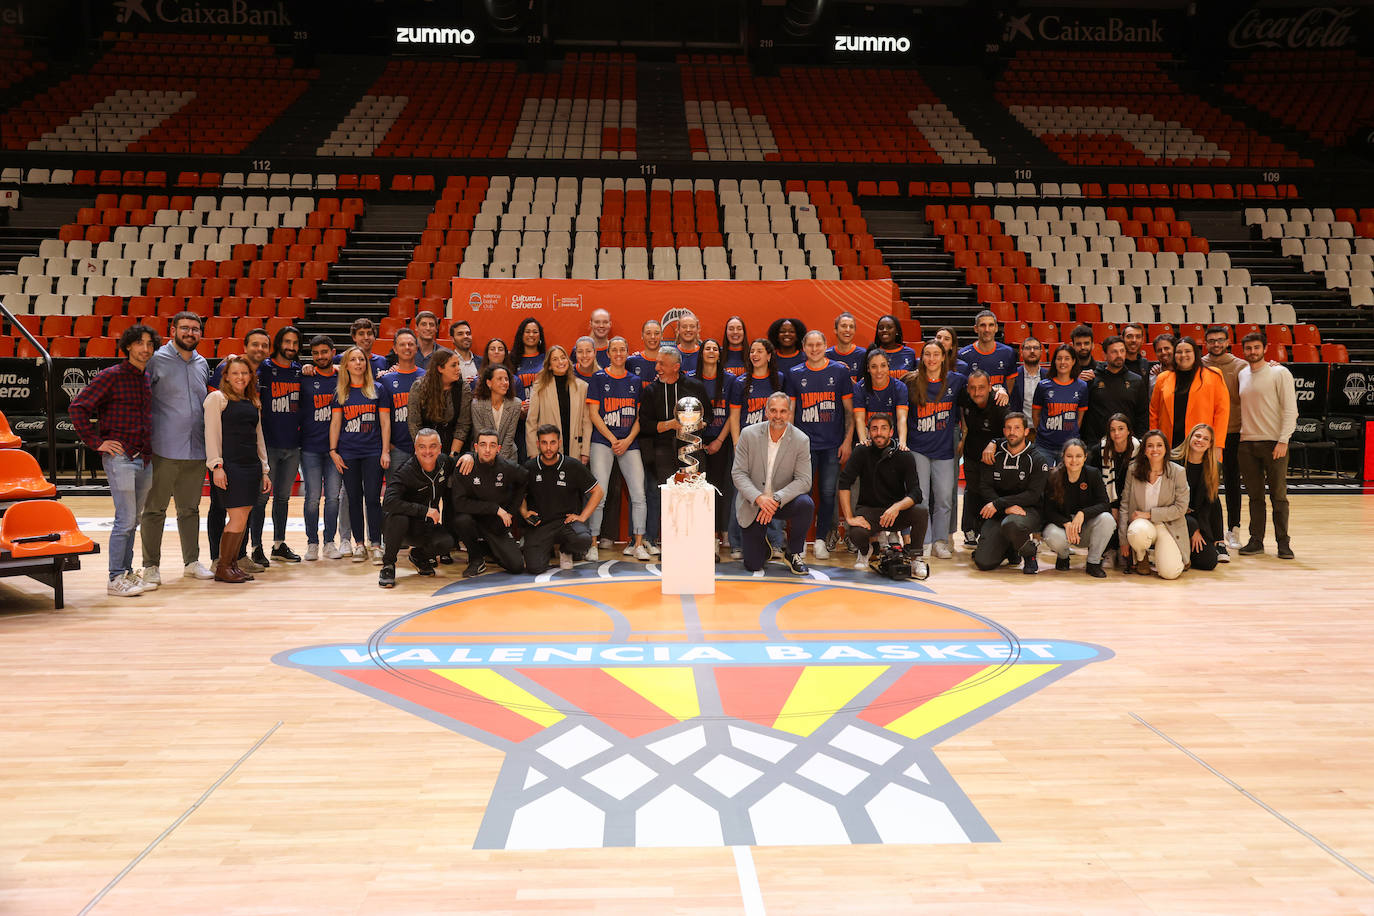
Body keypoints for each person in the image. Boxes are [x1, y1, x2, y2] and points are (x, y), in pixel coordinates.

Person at [70, 323, 157, 597]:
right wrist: (97, 442)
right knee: (126, 518)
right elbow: (78, 407)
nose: (145, 349)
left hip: (143, 457)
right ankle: (114, 577)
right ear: (128, 346)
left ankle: (126, 572)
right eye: (140, 343)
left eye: (150, 344)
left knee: (135, 519)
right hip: (120, 457)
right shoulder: (111, 375)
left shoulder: (145, 377)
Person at [139, 310, 213, 587]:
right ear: (172, 329)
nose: (190, 333)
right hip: (162, 449)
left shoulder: (202, 363)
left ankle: (191, 562)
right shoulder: (155, 360)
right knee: (155, 510)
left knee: (190, 509)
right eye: (185, 328)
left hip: (196, 450)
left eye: (195, 329)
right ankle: (150, 566)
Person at [786, 330, 853, 559]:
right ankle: (800, 541)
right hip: (804, 446)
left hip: (833, 445)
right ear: (804, 348)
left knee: (827, 494)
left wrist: (847, 441)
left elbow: (849, 412)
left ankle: (822, 539)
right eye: (810, 345)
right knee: (801, 494)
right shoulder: (795, 374)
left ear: (826, 345)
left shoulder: (839, 372)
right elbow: (791, 413)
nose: (814, 349)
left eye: (818, 344)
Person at [207, 328, 270, 571]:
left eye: (244, 373)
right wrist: (217, 466)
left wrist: (264, 469)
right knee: (233, 516)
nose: (240, 377)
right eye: (235, 373)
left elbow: (259, 438)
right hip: (229, 466)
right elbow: (211, 435)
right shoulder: (217, 399)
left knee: (243, 516)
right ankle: (222, 564)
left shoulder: (252, 400)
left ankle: (233, 563)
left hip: (250, 466)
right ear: (226, 375)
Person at [639, 345, 712, 552]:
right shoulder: (650, 391)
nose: (657, 367)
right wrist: (669, 424)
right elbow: (644, 424)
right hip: (660, 450)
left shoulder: (695, 386)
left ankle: (691, 541)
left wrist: (699, 424)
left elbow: (709, 416)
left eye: (662, 363)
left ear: (676, 367)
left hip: (690, 451)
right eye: (657, 363)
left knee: (691, 496)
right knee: (660, 495)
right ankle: (653, 540)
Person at [731, 392, 814, 575]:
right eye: (773, 411)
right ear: (766, 412)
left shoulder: (801, 440)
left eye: (783, 411)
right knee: (754, 564)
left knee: (806, 504)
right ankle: (763, 545)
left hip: (781, 502)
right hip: (754, 503)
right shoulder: (748, 434)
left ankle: (793, 552)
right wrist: (759, 498)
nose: (778, 416)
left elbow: (804, 480)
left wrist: (776, 499)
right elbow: (738, 473)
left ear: (790, 413)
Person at [839, 412, 928, 575]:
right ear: (868, 432)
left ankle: (916, 558)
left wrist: (897, 507)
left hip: (896, 513)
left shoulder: (904, 454)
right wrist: (849, 517)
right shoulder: (861, 452)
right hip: (870, 511)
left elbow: (916, 493)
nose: (878, 433)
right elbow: (844, 483)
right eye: (874, 429)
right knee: (856, 532)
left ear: (891, 432)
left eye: (883, 428)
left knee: (921, 512)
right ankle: (865, 551)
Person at [586, 336, 651, 559]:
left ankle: (638, 543)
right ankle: (592, 543)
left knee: (639, 493)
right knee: (599, 494)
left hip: (629, 442)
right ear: (609, 353)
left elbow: (640, 417)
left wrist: (628, 439)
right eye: (614, 350)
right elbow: (594, 414)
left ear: (627, 352)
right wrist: (613, 438)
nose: (619, 354)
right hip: (603, 441)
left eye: (623, 350)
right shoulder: (598, 378)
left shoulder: (635, 380)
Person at [1236, 331, 1298, 559]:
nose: (1252, 352)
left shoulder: (1280, 372)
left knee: (1278, 497)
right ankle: (1256, 540)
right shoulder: (1242, 374)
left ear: (1265, 348)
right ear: (1244, 351)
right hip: (1247, 444)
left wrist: (1284, 440)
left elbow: (1291, 409)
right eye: (1248, 348)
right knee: (1254, 497)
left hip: (1274, 444)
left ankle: (1283, 542)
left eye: (1256, 348)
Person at [908, 339, 966, 559]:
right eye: (927, 354)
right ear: (922, 358)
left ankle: (940, 541)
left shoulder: (957, 380)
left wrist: (999, 389)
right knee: (920, 498)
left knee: (943, 498)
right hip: (918, 448)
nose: (931, 359)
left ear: (944, 357)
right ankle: (924, 540)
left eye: (936, 354)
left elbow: (971, 401)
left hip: (943, 450)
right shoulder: (911, 381)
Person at [330, 345, 389, 564]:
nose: (358, 363)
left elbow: (384, 422)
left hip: (373, 451)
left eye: (361, 359)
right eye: (353, 360)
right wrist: (333, 451)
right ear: (346, 365)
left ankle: (376, 543)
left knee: (373, 498)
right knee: (354, 499)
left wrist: (384, 451)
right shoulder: (341, 392)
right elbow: (335, 424)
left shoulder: (378, 389)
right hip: (348, 453)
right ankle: (358, 544)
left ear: (366, 364)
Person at [377, 428, 456, 588]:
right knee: (399, 517)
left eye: (432, 446)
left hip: (425, 526)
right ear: (415, 448)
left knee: (447, 542)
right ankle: (388, 565)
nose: (427, 451)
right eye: (422, 446)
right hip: (400, 527)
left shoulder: (444, 463)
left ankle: (418, 556)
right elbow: (389, 502)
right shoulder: (406, 471)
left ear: (440, 448)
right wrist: (424, 510)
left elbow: (460, 461)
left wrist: (468, 456)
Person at [970, 413, 1048, 574]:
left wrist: (999, 504)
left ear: (1026, 431)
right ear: (1004, 431)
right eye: (1009, 428)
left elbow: (1033, 495)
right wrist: (1004, 508)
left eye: (1017, 428)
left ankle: (1029, 554)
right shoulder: (992, 454)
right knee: (983, 563)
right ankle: (1011, 549)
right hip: (1000, 511)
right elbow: (985, 487)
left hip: (1028, 511)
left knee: (1011, 524)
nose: (1012, 432)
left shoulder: (1037, 459)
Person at [521, 424, 603, 572]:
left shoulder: (572, 465)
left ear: (559, 443)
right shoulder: (529, 467)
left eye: (553, 442)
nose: (548, 448)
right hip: (541, 524)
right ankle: (545, 550)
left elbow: (598, 492)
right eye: (544, 443)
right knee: (534, 567)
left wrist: (582, 517)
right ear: (538, 444)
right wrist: (524, 512)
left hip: (566, 522)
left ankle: (566, 551)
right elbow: (520, 495)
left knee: (584, 539)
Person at [254, 324, 302, 566]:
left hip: (292, 445)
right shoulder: (264, 368)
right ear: (279, 343)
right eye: (287, 342)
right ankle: (255, 547)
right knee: (261, 499)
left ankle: (278, 544)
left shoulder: (299, 371)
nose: (291, 347)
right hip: (268, 445)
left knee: (283, 498)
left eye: (295, 343)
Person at [451, 429, 528, 577]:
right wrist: (495, 508)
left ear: (498, 449)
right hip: (472, 519)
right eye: (483, 445)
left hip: (495, 523)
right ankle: (476, 558)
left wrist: (511, 511)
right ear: (475, 447)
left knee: (516, 566)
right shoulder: (465, 465)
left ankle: (488, 549)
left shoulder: (506, 467)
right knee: (462, 520)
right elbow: (459, 503)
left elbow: (524, 479)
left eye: (492, 445)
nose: (487, 450)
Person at [1118, 430, 1191, 579]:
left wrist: (1150, 514)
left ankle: (1166, 554)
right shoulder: (1133, 470)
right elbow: (1124, 505)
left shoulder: (1178, 472)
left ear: (1166, 449)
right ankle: (1141, 557)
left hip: (1167, 525)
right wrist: (1123, 540)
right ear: (1144, 450)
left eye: (1159, 445)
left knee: (1170, 573)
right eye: (1150, 446)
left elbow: (1180, 508)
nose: (1155, 450)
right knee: (1137, 532)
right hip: (1141, 524)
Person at [299, 334, 344, 560]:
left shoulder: (342, 377)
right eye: (315, 353)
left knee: (334, 498)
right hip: (310, 448)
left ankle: (329, 542)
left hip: (336, 449)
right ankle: (312, 543)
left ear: (333, 352)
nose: (320, 357)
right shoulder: (305, 376)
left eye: (324, 352)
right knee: (312, 497)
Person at [1041, 438, 1113, 577]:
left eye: (1078, 456)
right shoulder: (1053, 476)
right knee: (1051, 534)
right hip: (1064, 528)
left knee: (1107, 519)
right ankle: (1063, 556)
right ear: (1063, 457)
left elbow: (1104, 503)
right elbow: (1048, 511)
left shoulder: (1093, 474)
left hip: (1086, 528)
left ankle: (1093, 563)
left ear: (1085, 457)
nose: (1074, 460)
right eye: (1069, 456)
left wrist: (1083, 514)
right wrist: (1066, 523)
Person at [1149, 336, 1228, 462]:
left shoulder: (1214, 375)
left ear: (1196, 354)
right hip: (1170, 444)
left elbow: (1221, 413)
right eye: (1179, 352)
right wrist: (1154, 441)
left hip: (1201, 444)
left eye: (1187, 351)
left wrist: (1218, 444)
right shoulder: (1163, 378)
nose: (1183, 355)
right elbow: (1154, 412)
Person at [1202, 324, 1245, 549]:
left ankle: (1234, 529)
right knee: (1207, 483)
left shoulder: (1241, 366)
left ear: (1228, 342)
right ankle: (1208, 528)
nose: (1216, 344)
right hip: (1205, 436)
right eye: (1212, 341)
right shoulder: (1200, 364)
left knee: (1231, 481)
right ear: (1206, 342)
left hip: (1233, 432)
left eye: (1220, 340)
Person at [697, 339, 739, 552]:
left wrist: (719, 441)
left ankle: (723, 532)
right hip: (696, 443)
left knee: (721, 489)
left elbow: (733, 414)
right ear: (701, 352)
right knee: (700, 490)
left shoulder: (730, 379)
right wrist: (697, 440)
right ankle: (706, 534)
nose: (711, 352)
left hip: (720, 441)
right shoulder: (692, 379)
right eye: (707, 348)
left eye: (715, 348)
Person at [957, 369, 1006, 547]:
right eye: (973, 388)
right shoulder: (965, 396)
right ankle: (969, 531)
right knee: (972, 491)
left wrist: (994, 442)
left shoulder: (1000, 403)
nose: (977, 392)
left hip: (995, 458)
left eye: (981, 388)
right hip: (971, 454)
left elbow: (1010, 433)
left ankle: (989, 532)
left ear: (990, 388)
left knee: (989, 493)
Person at [526, 344, 592, 465]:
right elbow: (531, 421)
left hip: (575, 449)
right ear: (549, 366)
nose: (560, 362)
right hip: (547, 451)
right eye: (555, 359)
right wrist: (533, 452)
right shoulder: (540, 387)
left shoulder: (582, 386)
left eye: (563, 357)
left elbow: (587, 422)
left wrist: (585, 451)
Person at [1090, 412, 1139, 567]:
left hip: (1132, 498)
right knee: (1108, 515)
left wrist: (1120, 506)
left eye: (1121, 429)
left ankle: (1127, 551)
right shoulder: (1100, 450)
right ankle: (1109, 551)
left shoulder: (1139, 450)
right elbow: (1096, 483)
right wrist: (1112, 506)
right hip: (1107, 498)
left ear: (1129, 430)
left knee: (1128, 513)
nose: (1116, 433)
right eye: (1112, 430)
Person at [1081, 335, 1148, 442]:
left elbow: (1142, 416)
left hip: (1127, 444)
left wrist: (1140, 440)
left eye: (1122, 351)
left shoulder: (1137, 381)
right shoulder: (1092, 379)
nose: (1119, 355)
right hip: (1097, 444)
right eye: (1114, 352)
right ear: (1104, 355)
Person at [408, 347, 473, 457]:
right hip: (426, 447)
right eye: (453, 365)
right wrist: (424, 451)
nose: (458, 369)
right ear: (440, 368)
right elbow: (414, 423)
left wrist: (453, 455)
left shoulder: (463, 388)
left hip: (454, 446)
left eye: (458, 364)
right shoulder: (419, 387)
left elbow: (463, 424)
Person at [1032, 344, 1089, 467]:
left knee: (1066, 483)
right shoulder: (1043, 385)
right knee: (1043, 481)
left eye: (1067, 358)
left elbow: (1079, 418)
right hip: (1044, 446)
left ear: (1073, 361)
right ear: (1054, 362)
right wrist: (1044, 433)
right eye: (1059, 358)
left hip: (1069, 446)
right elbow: (1036, 415)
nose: (1063, 362)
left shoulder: (1082, 386)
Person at [379, 328, 425, 468]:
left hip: (423, 447)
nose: (407, 348)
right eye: (402, 344)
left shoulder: (426, 377)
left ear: (416, 348)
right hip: (396, 448)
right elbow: (381, 417)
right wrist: (387, 446)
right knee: (395, 489)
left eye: (411, 344)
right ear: (395, 349)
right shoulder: (385, 380)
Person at [1179, 423, 1223, 570]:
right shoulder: (1174, 461)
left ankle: (1184, 553)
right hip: (1174, 517)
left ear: (1210, 444)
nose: (1200, 440)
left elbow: (1214, 501)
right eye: (1197, 436)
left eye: (1206, 439)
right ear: (1190, 437)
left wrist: (1218, 538)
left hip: (1198, 519)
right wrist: (1193, 528)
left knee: (1209, 562)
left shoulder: (1213, 467)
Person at [853, 349, 909, 447]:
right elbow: (859, 419)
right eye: (874, 367)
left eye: (883, 366)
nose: (879, 371)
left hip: (892, 441)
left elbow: (902, 418)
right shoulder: (860, 388)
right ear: (868, 369)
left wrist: (902, 443)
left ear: (888, 367)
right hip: (870, 440)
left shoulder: (899, 387)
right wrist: (863, 441)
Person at [470, 363, 522, 463]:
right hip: (482, 456)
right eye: (500, 379)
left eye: (506, 379)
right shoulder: (477, 404)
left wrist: (499, 462)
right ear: (489, 383)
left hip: (508, 457)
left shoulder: (516, 404)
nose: (505, 382)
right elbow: (480, 435)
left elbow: (509, 437)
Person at [958, 310, 1017, 389]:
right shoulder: (963, 355)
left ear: (996, 328)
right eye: (982, 325)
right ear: (976, 328)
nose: (987, 330)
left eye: (991, 325)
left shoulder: (1008, 353)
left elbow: (1010, 383)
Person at [1008, 337, 1047, 419]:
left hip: (1043, 428)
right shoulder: (1013, 376)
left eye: (1036, 348)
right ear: (1021, 352)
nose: (1032, 351)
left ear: (1041, 352)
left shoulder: (1049, 376)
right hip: (1020, 427)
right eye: (1028, 348)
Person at [870, 314, 916, 381]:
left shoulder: (910, 353)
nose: (884, 330)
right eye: (881, 328)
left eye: (889, 327)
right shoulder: (872, 354)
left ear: (897, 331)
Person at [481, 338, 526, 403]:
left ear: (505, 354)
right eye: (492, 349)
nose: (496, 352)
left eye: (500, 349)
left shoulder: (515, 381)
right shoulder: (477, 380)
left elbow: (521, 405)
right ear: (487, 353)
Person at [826, 312, 867, 383]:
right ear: (835, 330)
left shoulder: (863, 354)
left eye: (851, 327)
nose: (848, 330)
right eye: (844, 326)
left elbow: (864, 391)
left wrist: (846, 376)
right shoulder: (826, 355)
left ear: (854, 331)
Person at [512, 316, 547, 394]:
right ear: (521, 335)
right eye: (527, 332)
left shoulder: (547, 359)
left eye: (535, 332)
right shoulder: (511, 360)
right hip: (519, 405)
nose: (531, 335)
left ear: (540, 336)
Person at [447, 319, 481, 389]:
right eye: (460, 334)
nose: (465, 336)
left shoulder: (482, 361)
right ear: (452, 339)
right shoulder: (446, 361)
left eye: (468, 333)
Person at [674, 311, 701, 375]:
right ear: (678, 330)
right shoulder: (671, 354)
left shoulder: (703, 354)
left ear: (698, 329)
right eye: (684, 327)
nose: (688, 330)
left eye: (692, 326)